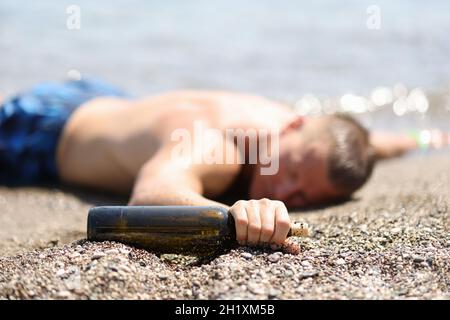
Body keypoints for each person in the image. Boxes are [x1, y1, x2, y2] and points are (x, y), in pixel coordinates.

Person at [0, 78, 446, 248]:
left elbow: (373, 143)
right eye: (290, 172)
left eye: (305, 195)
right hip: (42, 133)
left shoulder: (294, 130)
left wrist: (426, 138)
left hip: (109, 98)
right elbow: (151, 193)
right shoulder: (213, 144)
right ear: (291, 129)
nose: (288, 192)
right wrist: (232, 213)